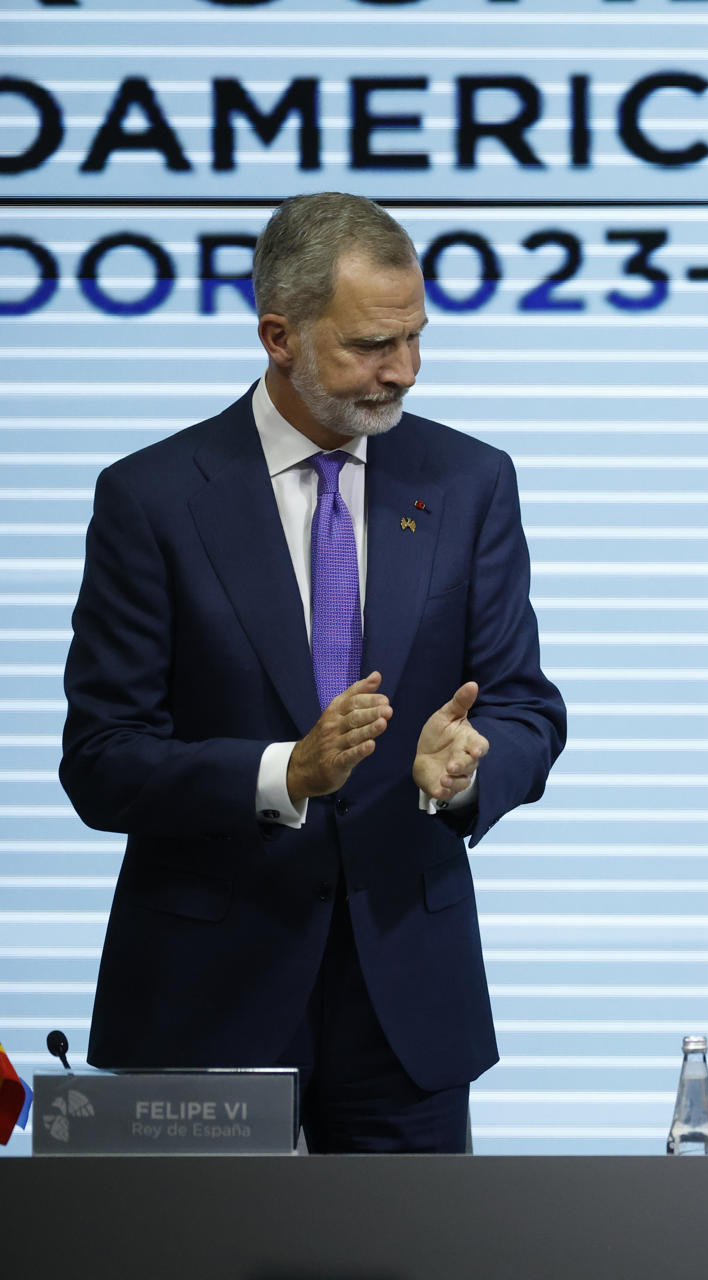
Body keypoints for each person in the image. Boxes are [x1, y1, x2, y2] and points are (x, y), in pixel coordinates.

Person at [61, 192, 567, 1152]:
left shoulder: (470, 482)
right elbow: (102, 758)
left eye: (416, 338)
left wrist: (470, 767)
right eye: (374, 346)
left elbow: (524, 704)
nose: (405, 371)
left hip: (408, 1003)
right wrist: (282, 773)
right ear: (279, 335)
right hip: (205, 996)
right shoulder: (152, 499)